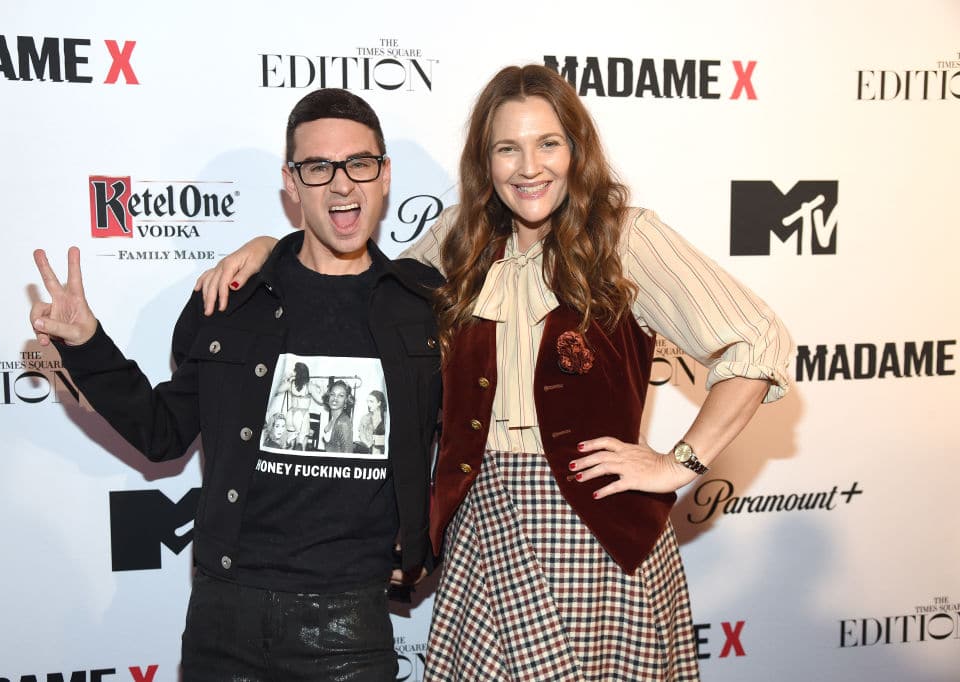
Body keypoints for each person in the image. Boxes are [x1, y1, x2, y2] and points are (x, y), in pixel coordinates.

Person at [197, 65, 791, 681]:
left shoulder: (625, 238)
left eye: (548, 144)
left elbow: (758, 339)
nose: (529, 166)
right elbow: (357, 284)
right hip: (482, 522)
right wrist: (270, 245)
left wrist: (678, 463)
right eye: (508, 148)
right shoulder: (461, 240)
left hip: (593, 534)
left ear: (575, 151)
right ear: (486, 162)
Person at [30, 88, 443, 681]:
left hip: (352, 623)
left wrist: (425, 543)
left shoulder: (423, 307)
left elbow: (467, 446)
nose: (342, 183)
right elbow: (162, 432)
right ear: (290, 183)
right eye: (318, 166)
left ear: (383, 176)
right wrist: (87, 343)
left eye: (360, 163)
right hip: (224, 617)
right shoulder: (229, 299)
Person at [320, 379, 355, 453]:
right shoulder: (334, 417)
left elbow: (347, 454)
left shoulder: (343, 423)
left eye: (341, 396)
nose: (335, 398)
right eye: (332, 394)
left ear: (346, 400)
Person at [354, 390, 387, 455]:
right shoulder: (365, 418)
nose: (368, 404)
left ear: (379, 403)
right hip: (368, 451)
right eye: (367, 401)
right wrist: (369, 446)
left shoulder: (386, 417)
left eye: (371, 402)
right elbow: (361, 435)